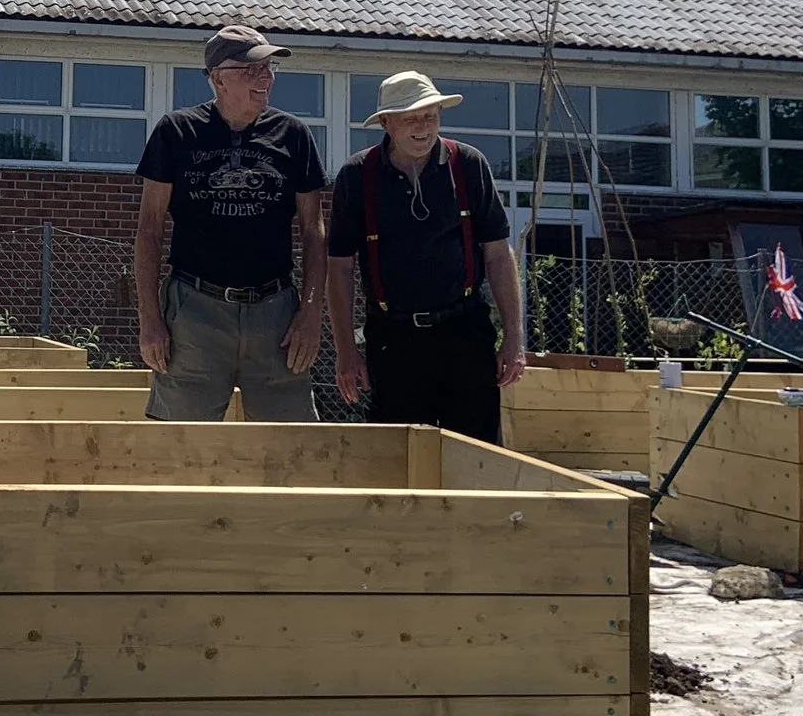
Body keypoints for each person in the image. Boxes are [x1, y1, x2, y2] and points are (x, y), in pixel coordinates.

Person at [133, 25, 329, 420]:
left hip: (277, 317)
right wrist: (151, 319)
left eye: (270, 68)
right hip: (196, 312)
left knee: (291, 450)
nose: (265, 78)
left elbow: (314, 231)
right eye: (252, 70)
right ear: (217, 77)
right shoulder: (176, 132)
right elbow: (150, 230)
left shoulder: (293, 135)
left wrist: (310, 313)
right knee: (178, 447)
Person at [323, 72, 527, 438]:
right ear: (386, 123)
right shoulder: (357, 175)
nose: (422, 127)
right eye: (410, 118)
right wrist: (345, 351)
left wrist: (514, 338)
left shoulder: (468, 164)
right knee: (395, 460)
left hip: (464, 331)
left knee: (474, 457)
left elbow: (498, 254)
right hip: (393, 337)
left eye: (429, 116)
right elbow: (339, 268)